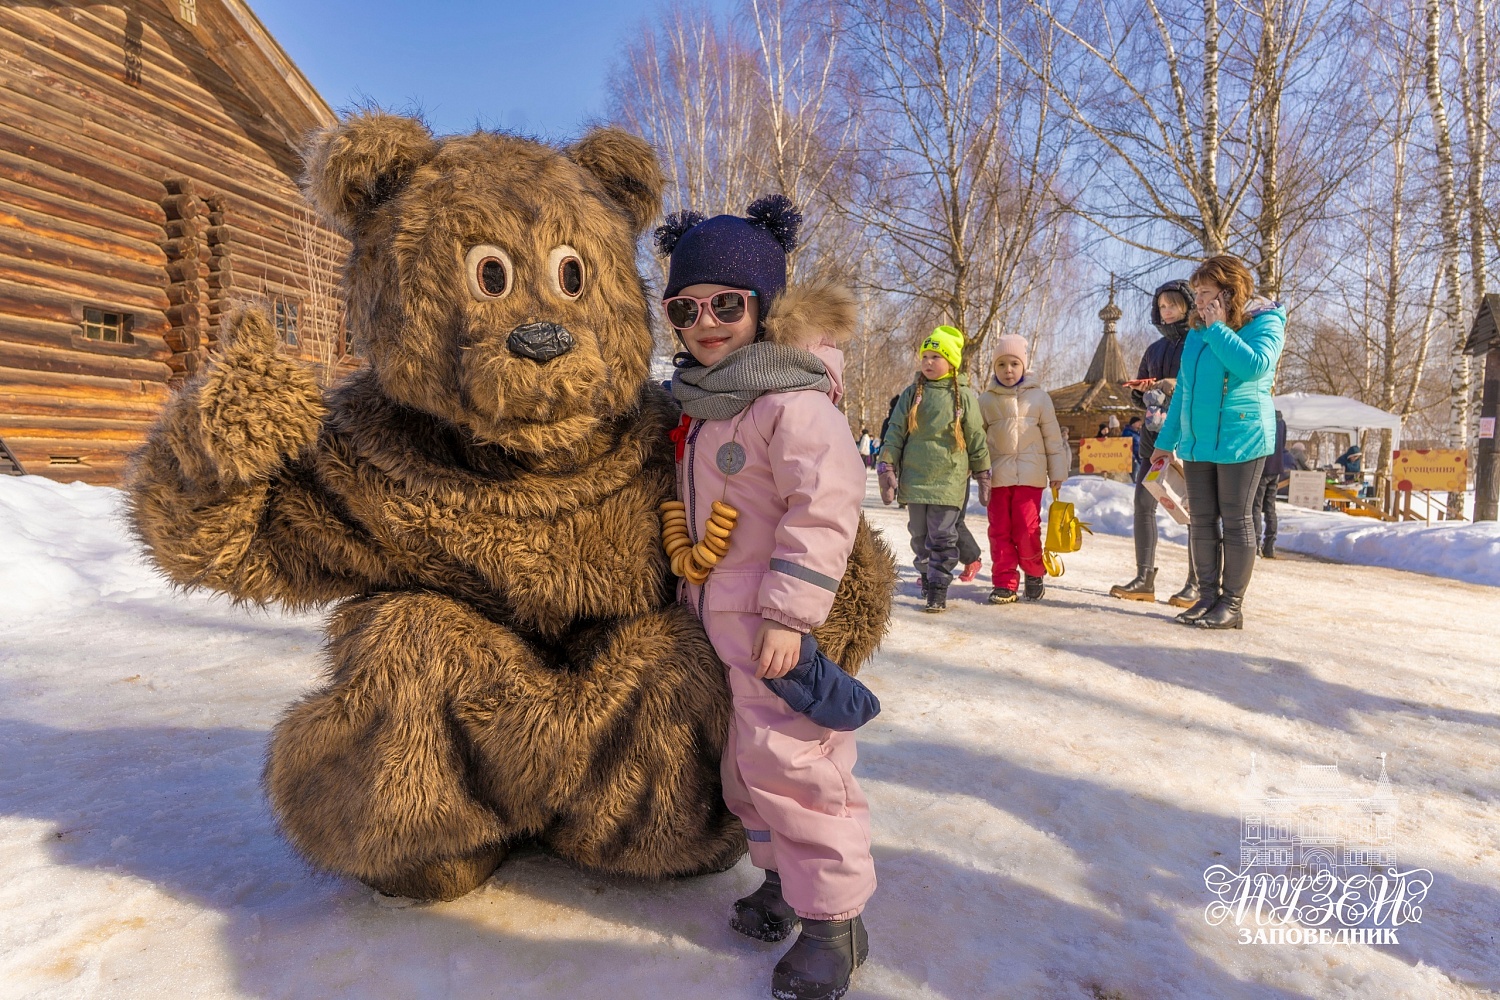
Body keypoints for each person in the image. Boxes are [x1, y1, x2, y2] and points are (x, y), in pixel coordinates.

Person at [657, 199, 874, 998]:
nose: (706, 321)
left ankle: (835, 923)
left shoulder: (790, 400)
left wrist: (789, 613)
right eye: (686, 307)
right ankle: (789, 884)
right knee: (749, 768)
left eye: (727, 304)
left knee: (798, 764)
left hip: (771, 623)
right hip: (717, 618)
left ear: (764, 308)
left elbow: (826, 503)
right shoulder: (707, 401)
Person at [1150, 255, 1286, 630]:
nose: (1198, 302)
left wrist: (1218, 329)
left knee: (1237, 519)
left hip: (1242, 438)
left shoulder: (1265, 322)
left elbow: (1254, 366)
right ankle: (1207, 597)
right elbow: (1184, 392)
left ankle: (1231, 605)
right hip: (1199, 441)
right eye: (1196, 294)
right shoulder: (1197, 331)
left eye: (1205, 293)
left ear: (1229, 292)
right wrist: (1167, 441)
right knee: (1202, 521)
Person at [878, 326, 991, 613]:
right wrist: (887, 463)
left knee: (942, 535)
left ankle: (938, 587)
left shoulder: (963, 396)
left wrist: (983, 471)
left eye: (936, 356)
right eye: (925, 356)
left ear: (951, 362)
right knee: (918, 535)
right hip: (915, 478)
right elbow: (895, 430)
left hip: (949, 478)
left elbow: (976, 435)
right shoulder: (911, 393)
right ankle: (928, 576)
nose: (928, 362)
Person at [1110, 280, 1200, 607]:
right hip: (1153, 442)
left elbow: (1201, 389)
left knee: (1194, 511)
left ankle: (1197, 582)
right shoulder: (1154, 349)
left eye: (1173, 304)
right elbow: (1147, 401)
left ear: (1189, 305)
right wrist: (1138, 393)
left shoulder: (1199, 342)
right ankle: (1144, 578)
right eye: (1162, 306)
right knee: (1142, 505)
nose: (1167, 311)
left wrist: (1176, 384)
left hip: (1188, 443)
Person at [977, 335, 1069, 603]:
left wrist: (1058, 472)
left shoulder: (1039, 398)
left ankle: (1033, 571)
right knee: (999, 530)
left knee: (1027, 529)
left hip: (1030, 477)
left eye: (1014, 364)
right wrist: (977, 469)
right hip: (997, 478)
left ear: (1023, 366)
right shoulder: (985, 401)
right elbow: (977, 440)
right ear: (994, 368)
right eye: (1002, 364)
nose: (1008, 370)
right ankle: (1005, 582)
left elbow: (1053, 438)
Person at [1253, 411, 1288, 558]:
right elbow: (1283, 443)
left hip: (1263, 467)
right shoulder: (1281, 422)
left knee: (1256, 507)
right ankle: (1269, 546)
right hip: (1277, 468)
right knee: (1270, 508)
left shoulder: (1263, 418)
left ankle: (1255, 545)